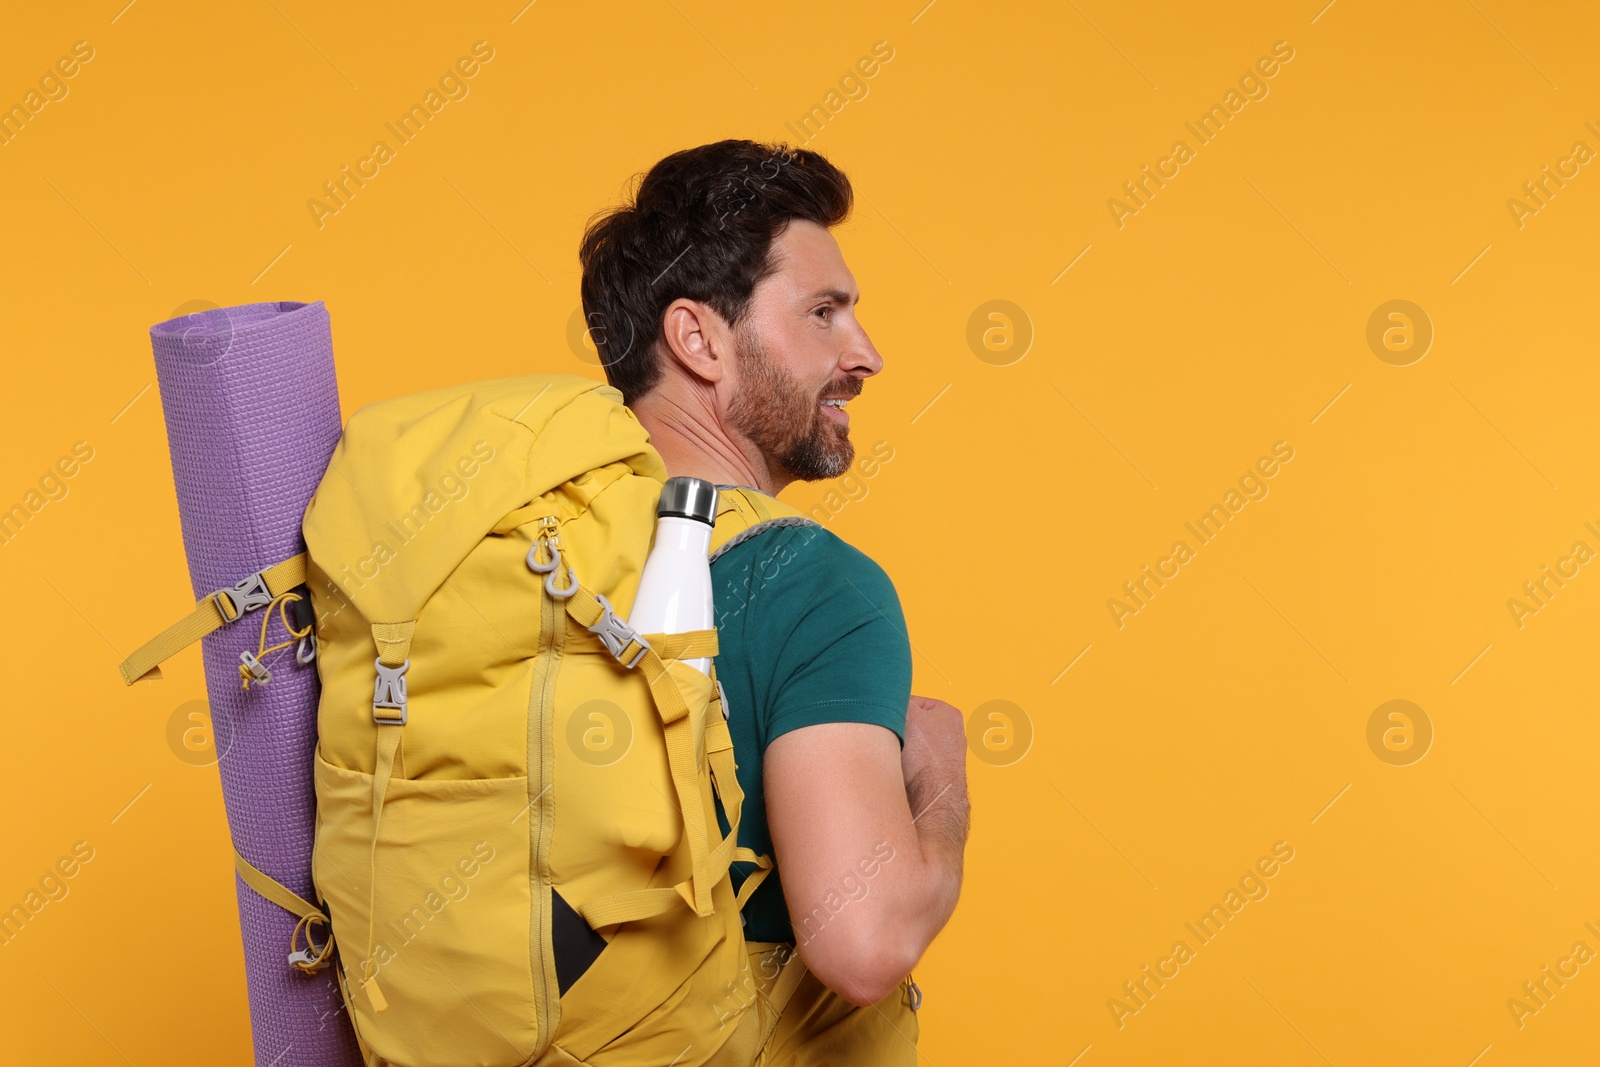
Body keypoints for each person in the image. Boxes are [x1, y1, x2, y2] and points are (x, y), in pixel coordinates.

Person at [578, 139, 971, 1063]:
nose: (865, 355)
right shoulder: (809, 581)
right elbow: (864, 943)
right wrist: (941, 787)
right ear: (699, 339)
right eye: (824, 313)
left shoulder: (529, 564)